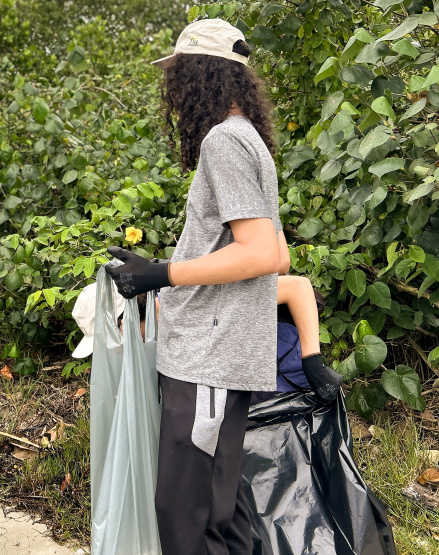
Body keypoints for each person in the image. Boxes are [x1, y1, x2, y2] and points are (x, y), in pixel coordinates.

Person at [103, 19, 288, 555]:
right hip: (221, 355)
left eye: (179, 75)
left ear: (202, 74)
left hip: (208, 359)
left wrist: (161, 274)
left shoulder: (224, 142)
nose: (174, 90)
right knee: (220, 516)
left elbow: (258, 254)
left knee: (186, 516)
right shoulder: (248, 139)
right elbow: (279, 253)